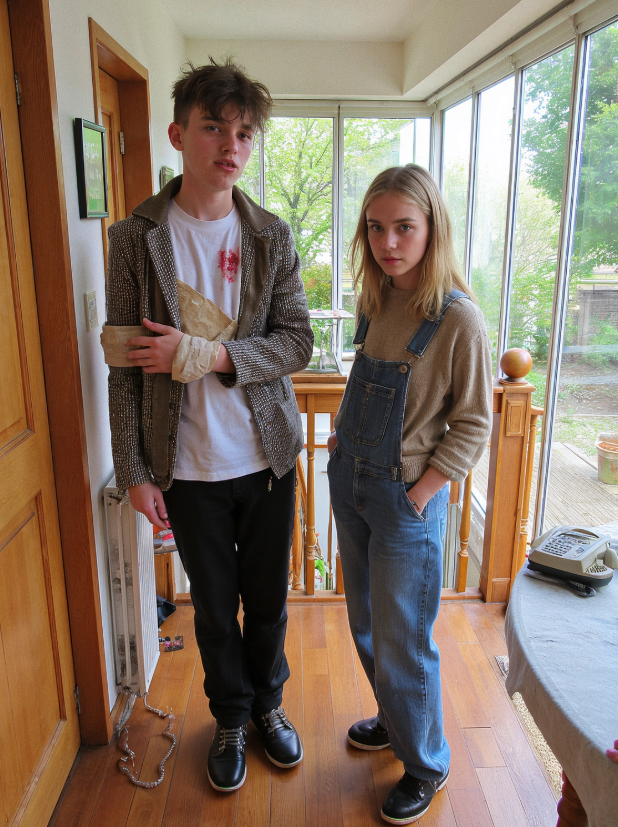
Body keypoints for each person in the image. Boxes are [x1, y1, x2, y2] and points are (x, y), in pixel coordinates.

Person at [103, 58, 313, 792]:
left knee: (270, 602)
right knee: (215, 610)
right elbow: (124, 362)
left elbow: (297, 342)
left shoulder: (269, 236)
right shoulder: (138, 236)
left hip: (267, 457)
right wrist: (132, 469)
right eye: (215, 127)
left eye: (245, 133)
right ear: (178, 134)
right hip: (184, 466)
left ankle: (269, 708)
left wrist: (209, 352)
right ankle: (229, 716)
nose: (232, 144)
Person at [326, 164, 492, 824]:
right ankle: (396, 722)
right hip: (353, 484)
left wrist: (424, 490)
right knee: (366, 624)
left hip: (405, 502)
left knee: (405, 639)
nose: (388, 241)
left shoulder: (459, 320)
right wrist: (340, 446)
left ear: (432, 229)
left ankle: (425, 760)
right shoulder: (375, 300)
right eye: (375, 227)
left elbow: (476, 420)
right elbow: (359, 382)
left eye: (403, 227)